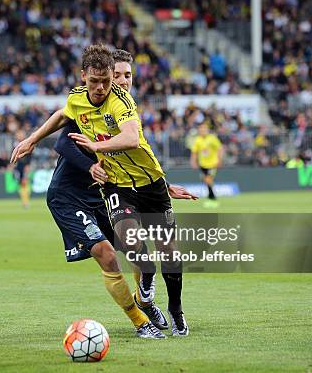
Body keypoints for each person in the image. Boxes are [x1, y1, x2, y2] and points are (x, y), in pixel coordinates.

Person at [13, 45, 191, 337]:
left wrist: (165, 186)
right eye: (110, 77)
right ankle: (141, 322)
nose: (112, 84)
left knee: (145, 255)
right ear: (84, 76)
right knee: (112, 254)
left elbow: (135, 144)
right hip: (71, 194)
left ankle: (152, 301)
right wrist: (34, 140)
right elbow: (62, 134)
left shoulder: (121, 103)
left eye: (121, 77)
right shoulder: (79, 98)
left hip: (112, 187)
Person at [190, 123, 223, 208]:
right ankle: (211, 198)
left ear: (207, 130)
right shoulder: (198, 140)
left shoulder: (212, 138)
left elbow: (220, 148)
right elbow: (194, 152)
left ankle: (213, 199)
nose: (202, 131)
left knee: (208, 179)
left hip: (212, 164)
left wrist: (219, 160)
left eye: (204, 129)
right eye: (201, 129)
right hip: (202, 164)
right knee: (206, 181)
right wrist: (193, 162)